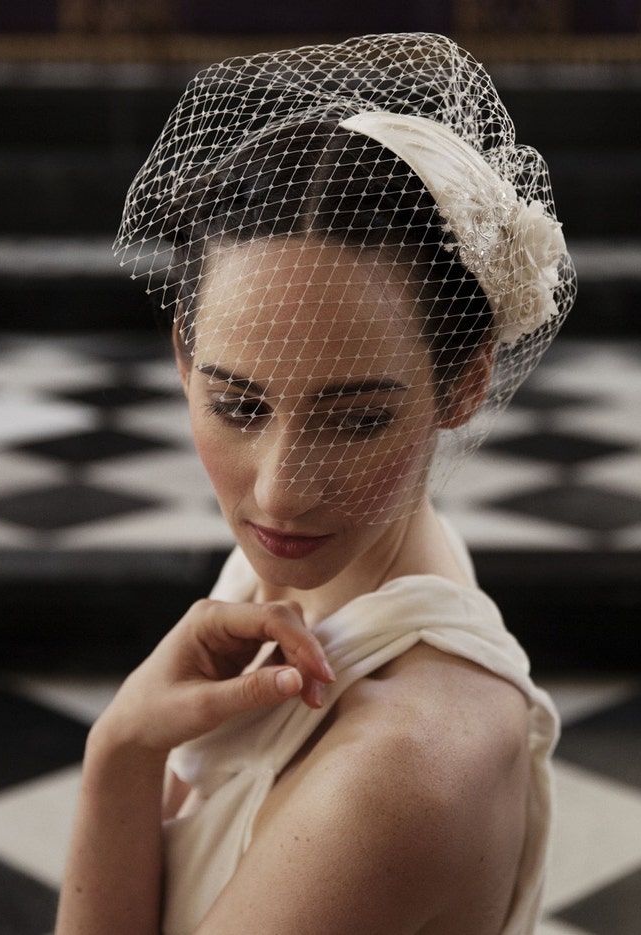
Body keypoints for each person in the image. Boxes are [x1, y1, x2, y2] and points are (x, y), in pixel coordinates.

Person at [56, 33, 576, 935]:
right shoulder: (333, 571)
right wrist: (130, 747)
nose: (282, 493)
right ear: (184, 359)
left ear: (463, 382)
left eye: (357, 417)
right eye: (238, 404)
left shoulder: (391, 770)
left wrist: (115, 754)